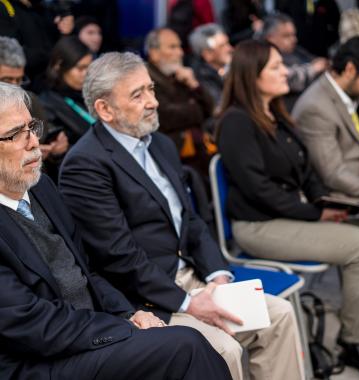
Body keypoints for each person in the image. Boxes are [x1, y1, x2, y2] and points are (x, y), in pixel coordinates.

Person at [59, 51, 305, 380]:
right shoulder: (85, 165)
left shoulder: (160, 144)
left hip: (194, 277)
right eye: (137, 94)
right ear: (104, 109)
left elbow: (192, 221)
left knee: (281, 315)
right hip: (146, 297)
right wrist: (188, 303)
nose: (153, 102)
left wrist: (218, 276)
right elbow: (119, 256)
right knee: (224, 350)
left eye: (151, 89)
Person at [0, 82, 232, 380]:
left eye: (31, 127)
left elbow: (89, 272)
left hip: (88, 333)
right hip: (36, 362)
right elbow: (32, 325)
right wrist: (121, 329)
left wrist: (128, 313)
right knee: (185, 346)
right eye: (14, 134)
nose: (33, 142)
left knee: (186, 342)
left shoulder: (41, 186)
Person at [216, 38, 359, 377]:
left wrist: (326, 203)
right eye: (275, 66)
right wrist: (316, 213)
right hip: (259, 226)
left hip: (288, 215)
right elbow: (257, 190)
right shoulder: (236, 122)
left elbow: (308, 176)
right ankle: (356, 342)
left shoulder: (277, 115)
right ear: (252, 75)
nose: (285, 71)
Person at [293, 37, 359, 202]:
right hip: (342, 200)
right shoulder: (315, 107)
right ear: (350, 70)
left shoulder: (351, 95)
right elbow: (333, 175)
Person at [145, 27, 215, 178]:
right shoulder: (146, 78)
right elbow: (165, 116)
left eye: (180, 46)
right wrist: (196, 109)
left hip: (197, 153)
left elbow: (210, 109)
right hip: (171, 157)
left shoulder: (181, 75)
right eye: (172, 47)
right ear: (154, 53)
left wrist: (194, 84)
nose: (180, 52)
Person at [0, 36, 69, 182]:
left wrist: (53, 152)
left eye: (19, 80)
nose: (15, 87)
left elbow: (42, 144)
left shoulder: (31, 101)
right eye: (6, 81)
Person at [0, 0, 74, 91]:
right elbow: (11, 53)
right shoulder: (4, 8)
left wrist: (67, 30)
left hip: (53, 85)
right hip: (22, 85)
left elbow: (67, 46)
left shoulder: (46, 9)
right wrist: (53, 58)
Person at [260, 12, 328, 109]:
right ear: (270, 38)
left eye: (293, 35)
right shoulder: (262, 56)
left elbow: (318, 61)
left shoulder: (296, 50)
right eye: (286, 36)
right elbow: (290, 78)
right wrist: (313, 69)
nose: (294, 39)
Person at [40, 36, 94, 145]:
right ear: (59, 66)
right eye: (80, 68)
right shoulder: (47, 105)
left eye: (89, 67)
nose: (86, 73)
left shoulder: (91, 94)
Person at [189, 23, 233, 106]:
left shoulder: (228, 68)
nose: (230, 49)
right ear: (207, 54)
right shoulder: (202, 79)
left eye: (228, 43)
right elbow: (220, 106)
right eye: (222, 46)